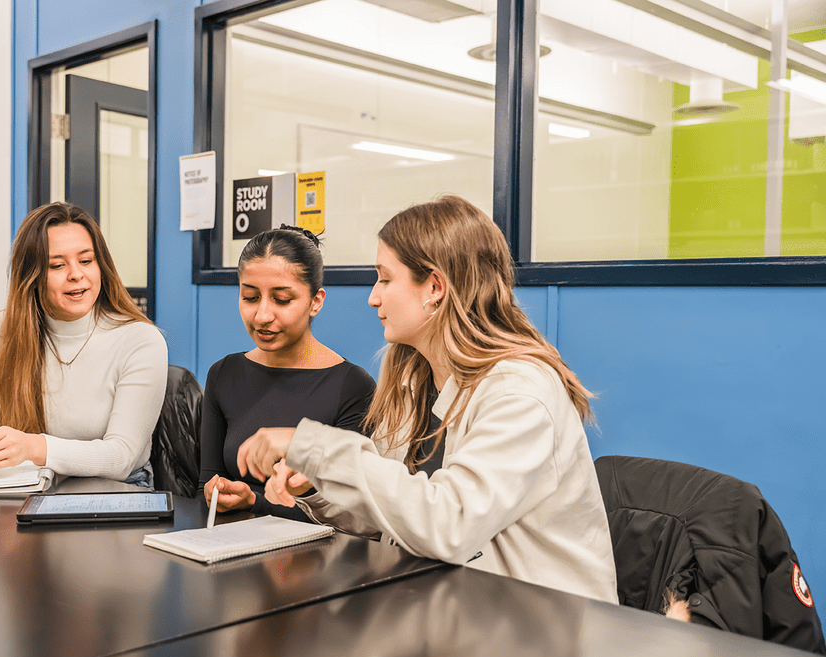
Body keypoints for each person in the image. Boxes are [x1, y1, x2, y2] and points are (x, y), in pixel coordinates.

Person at [237, 196, 618, 603]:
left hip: (544, 633)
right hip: (455, 612)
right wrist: (317, 486)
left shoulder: (519, 392)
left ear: (434, 287)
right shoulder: (414, 380)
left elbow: (448, 524)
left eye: (385, 279)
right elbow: (391, 515)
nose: (373, 297)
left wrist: (313, 446)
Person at [0, 202, 167, 484]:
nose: (76, 274)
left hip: (116, 489)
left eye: (86, 261)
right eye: (57, 265)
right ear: (32, 276)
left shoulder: (140, 340)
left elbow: (121, 458)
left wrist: (34, 447)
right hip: (26, 483)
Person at [200, 226, 376, 521]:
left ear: (315, 301)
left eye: (282, 300)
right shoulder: (223, 374)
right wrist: (219, 492)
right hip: (230, 550)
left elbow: (353, 515)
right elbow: (205, 486)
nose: (262, 316)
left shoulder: (353, 386)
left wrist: (255, 502)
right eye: (250, 297)